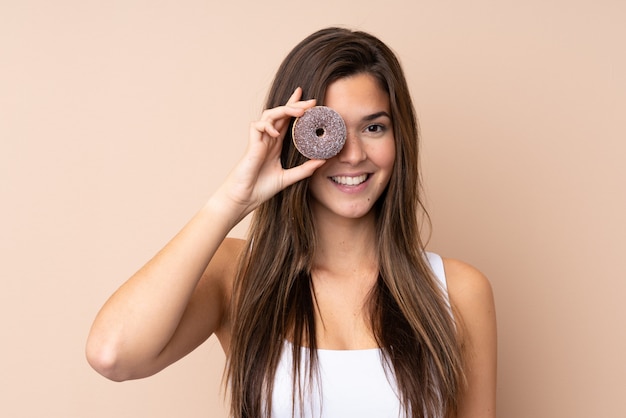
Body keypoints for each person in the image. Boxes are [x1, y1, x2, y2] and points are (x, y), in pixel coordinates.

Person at [86, 27, 497, 418]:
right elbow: (113, 354)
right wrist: (234, 198)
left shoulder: (458, 290)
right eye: (327, 130)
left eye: (374, 127)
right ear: (293, 137)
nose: (353, 155)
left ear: (399, 137)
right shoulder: (239, 276)